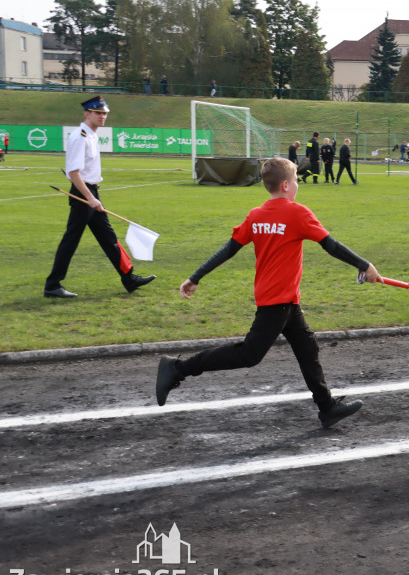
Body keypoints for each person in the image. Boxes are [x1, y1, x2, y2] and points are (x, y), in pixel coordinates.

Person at [155, 157, 378, 428]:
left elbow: (227, 250)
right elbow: (330, 245)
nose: (297, 185)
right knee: (249, 354)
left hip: (284, 300)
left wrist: (195, 277)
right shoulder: (297, 213)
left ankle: (327, 406)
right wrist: (364, 265)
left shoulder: (256, 215)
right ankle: (178, 368)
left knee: (307, 348)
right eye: (296, 180)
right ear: (285, 185)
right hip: (277, 302)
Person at [43, 96, 156, 298]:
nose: (102, 116)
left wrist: (93, 196)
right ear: (87, 114)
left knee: (108, 237)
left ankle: (129, 278)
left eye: (104, 113)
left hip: (92, 192)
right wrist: (90, 198)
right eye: (98, 113)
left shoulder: (92, 135)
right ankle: (52, 285)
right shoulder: (80, 137)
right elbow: (74, 172)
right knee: (71, 240)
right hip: (84, 194)